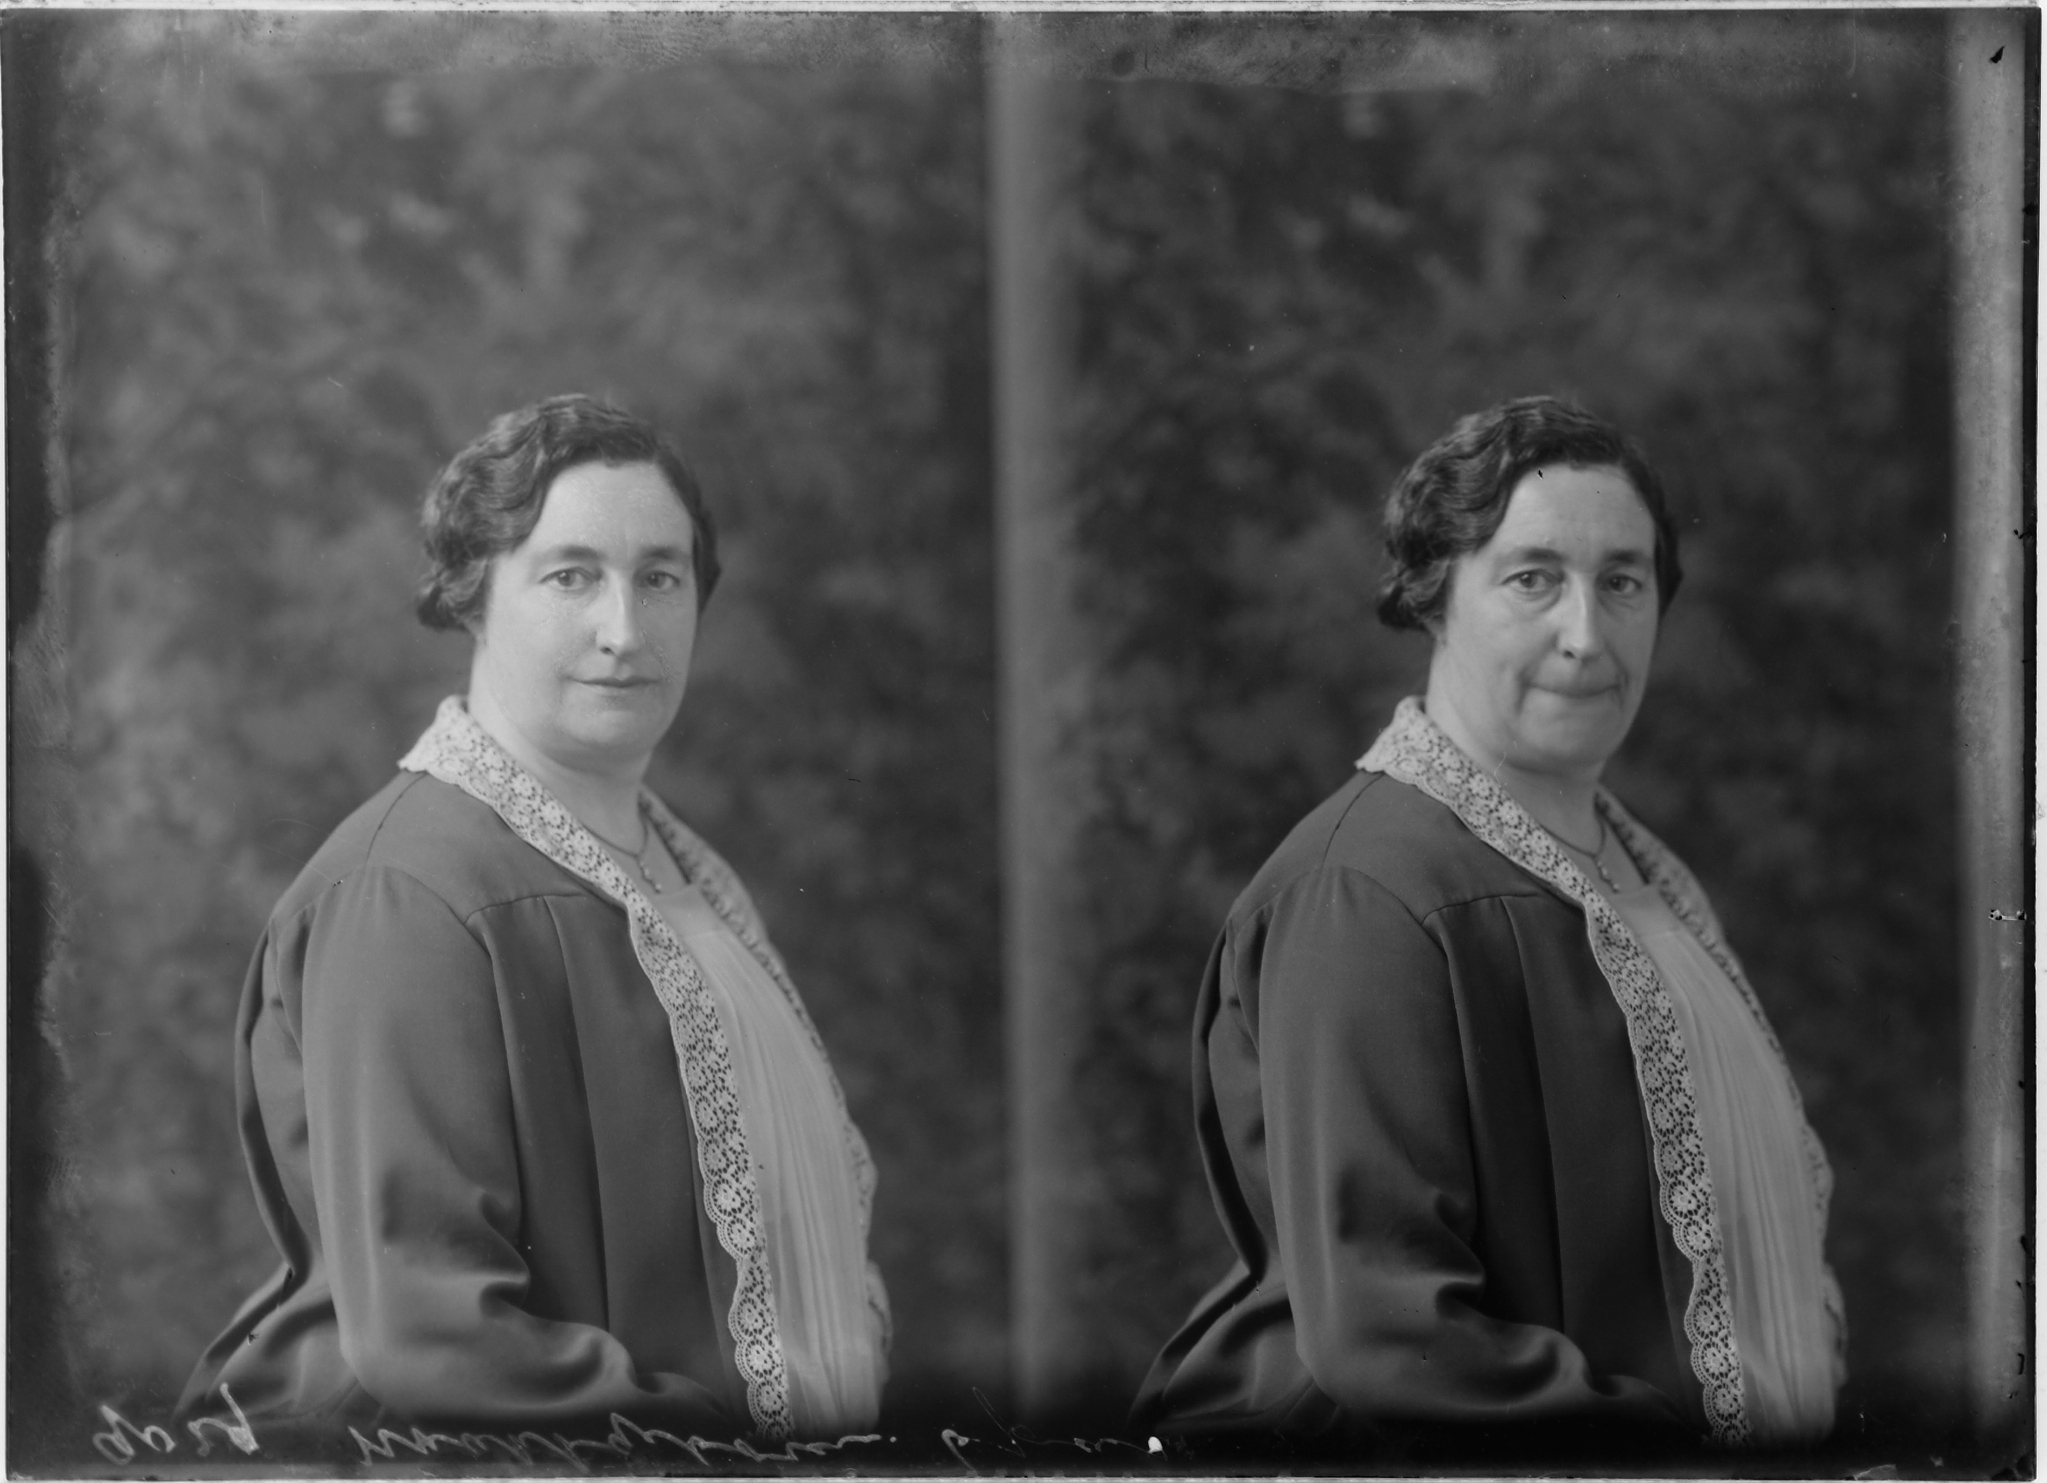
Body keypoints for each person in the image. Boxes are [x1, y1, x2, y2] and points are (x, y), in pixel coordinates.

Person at [1133, 396, 1844, 1455]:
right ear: (1433, 599)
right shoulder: (1364, 892)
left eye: (1621, 581)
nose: (1585, 635)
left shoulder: (1643, 876)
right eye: (1531, 579)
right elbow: (1390, 1335)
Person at [179, 395, 888, 1444]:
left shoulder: (686, 874)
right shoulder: (407, 891)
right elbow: (437, 1338)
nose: (624, 630)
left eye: (660, 576)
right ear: (473, 597)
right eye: (570, 576)